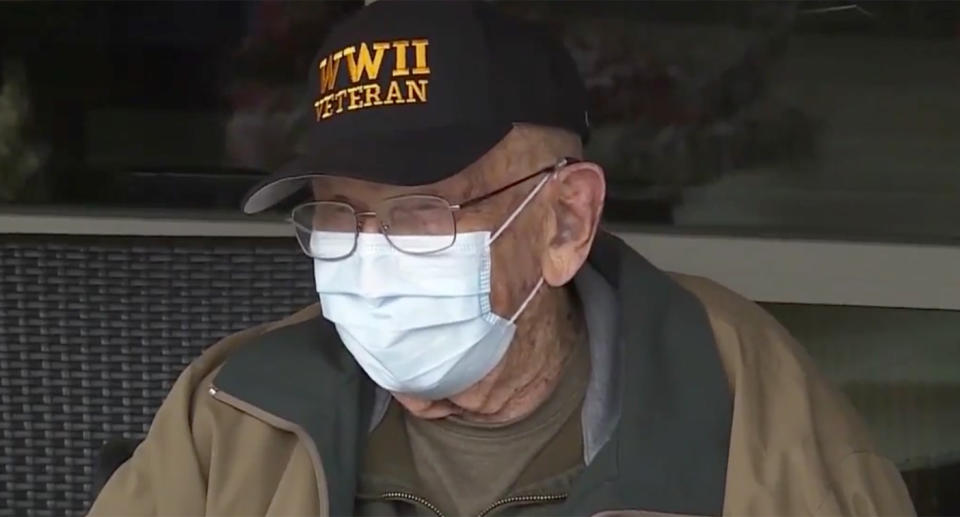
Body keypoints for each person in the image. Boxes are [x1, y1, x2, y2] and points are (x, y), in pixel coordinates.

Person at [87, 2, 915, 516]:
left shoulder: (752, 416)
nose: (368, 260)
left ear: (564, 220)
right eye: (338, 214)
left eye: (420, 212)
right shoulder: (233, 415)